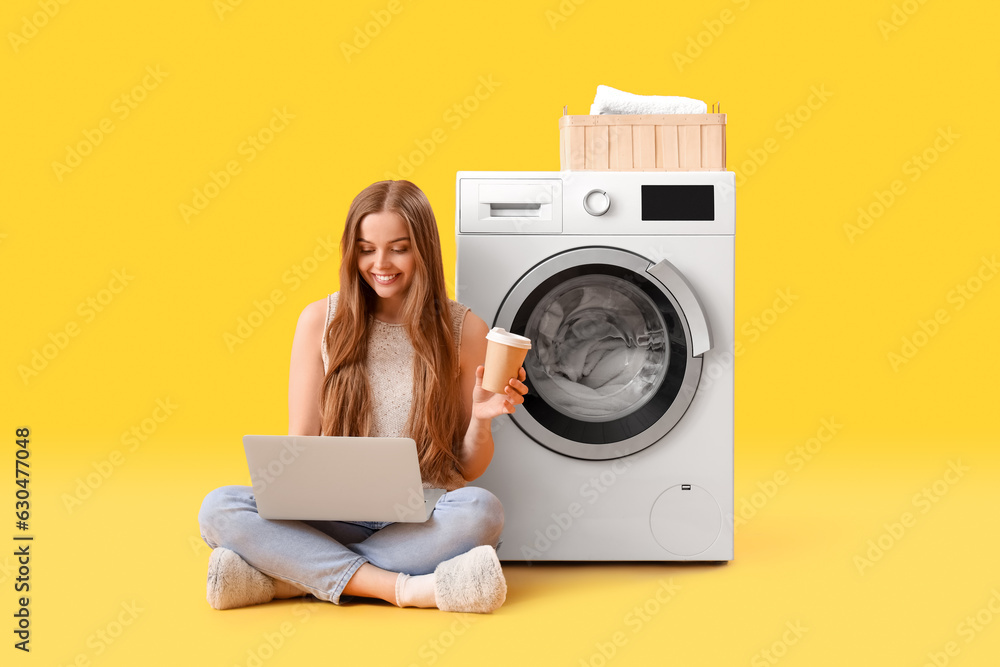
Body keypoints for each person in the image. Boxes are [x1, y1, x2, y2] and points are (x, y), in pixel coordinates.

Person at [197, 180, 527, 613]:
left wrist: (481, 420)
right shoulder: (320, 320)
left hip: (420, 521)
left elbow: (467, 468)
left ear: (424, 249)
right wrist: (293, 493)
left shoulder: (464, 329)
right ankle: (403, 589)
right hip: (330, 518)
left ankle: (288, 579)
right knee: (220, 507)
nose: (380, 263)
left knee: (482, 512)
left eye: (399, 248)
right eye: (366, 248)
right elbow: (302, 441)